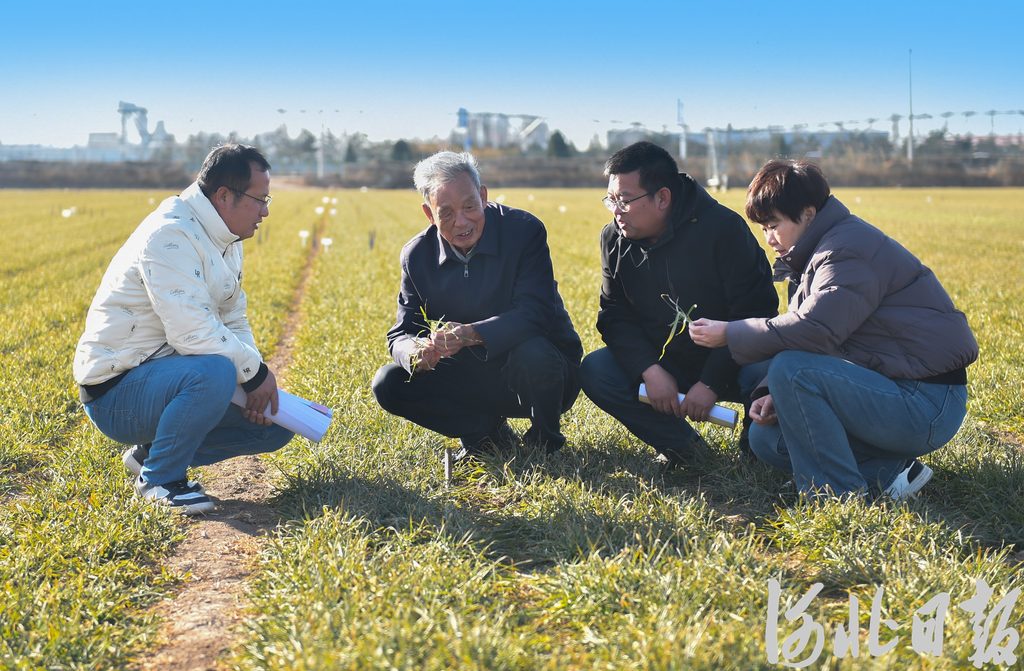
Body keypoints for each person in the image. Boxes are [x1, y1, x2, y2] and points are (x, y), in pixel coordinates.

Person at [689, 159, 978, 499]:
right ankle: (890, 473)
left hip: (925, 403)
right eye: (763, 229)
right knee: (765, 439)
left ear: (808, 214)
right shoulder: (814, 253)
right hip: (891, 390)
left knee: (792, 370)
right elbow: (814, 342)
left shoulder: (846, 250)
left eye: (774, 225)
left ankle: (835, 496)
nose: (769, 238)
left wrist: (730, 333)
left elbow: (815, 330)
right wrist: (771, 393)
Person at [74, 144, 294, 515]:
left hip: (170, 375)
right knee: (216, 371)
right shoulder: (170, 234)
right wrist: (253, 374)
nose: (265, 211)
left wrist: (252, 379)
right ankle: (160, 480)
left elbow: (233, 317)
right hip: (116, 393)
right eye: (260, 199)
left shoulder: (224, 237)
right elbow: (191, 333)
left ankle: (150, 456)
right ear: (224, 196)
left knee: (276, 423)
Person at [372, 151, 583, 460]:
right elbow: (401, 332)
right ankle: (484, 435)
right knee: (389, 382)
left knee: (533, 352)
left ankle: (544, 441)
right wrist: (414, 353)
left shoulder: (523, 231)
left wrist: (470, 334)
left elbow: (536, 314)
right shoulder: (416, 256)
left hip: (546, 372)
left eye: (470, 206)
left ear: (483, 196)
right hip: (473, 374)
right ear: (429, 214)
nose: (461, 222)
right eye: (446, 213)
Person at [579, 141, 778, 467]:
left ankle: (755, 451)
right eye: (611, 200)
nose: (616, 210)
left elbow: (755, 313)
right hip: (667, 364)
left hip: (734, 360)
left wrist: (711, 382)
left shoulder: (723, 230)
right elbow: (613, 315)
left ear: (662, 198)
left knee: (769, 369)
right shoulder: (613, 238)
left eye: (625, 200)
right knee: (597, 370)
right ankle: (684, 448)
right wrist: (649, 370)